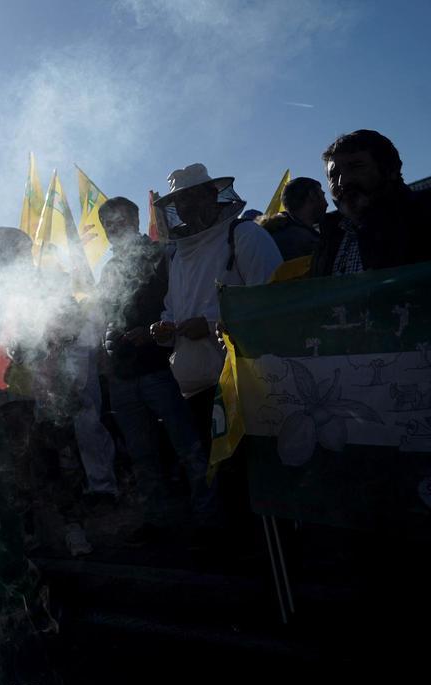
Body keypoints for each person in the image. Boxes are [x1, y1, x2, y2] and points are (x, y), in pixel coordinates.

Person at [149, 164, 282, 525]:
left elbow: (276, 303)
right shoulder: (178, 256)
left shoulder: (243, 236)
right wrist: (166, 328)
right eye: (181, 203)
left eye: (194, 199)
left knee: (261, 481)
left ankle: (279, 560)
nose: (189, 209)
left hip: (248, 386)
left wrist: (208, 327)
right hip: (198, 390)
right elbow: (173, 308)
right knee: (228, 483)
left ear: (213, 196)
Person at [97, 197, 208, 543]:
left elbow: (180, 304)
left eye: (117, 222)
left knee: (187, 446)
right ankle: (157, 520)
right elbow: (107, 314)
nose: (113, 230)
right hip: (124, 374)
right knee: (141, 454)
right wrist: (108, 338)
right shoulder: (111, 269)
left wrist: (152, 331)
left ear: (133, 220)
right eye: (107, 226)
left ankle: (209, 520)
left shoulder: (164, 254)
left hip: (163, 367)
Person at [310, 129, 431, 276]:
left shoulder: (423, 217)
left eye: (356, 166)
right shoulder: (329, 236)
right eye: (333, 175)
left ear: (390, 170)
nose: (343, 181)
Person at [258, 177, 327, 260]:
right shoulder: (302, 241)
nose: (326, 204)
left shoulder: (275, 235)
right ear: (312, 195)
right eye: (323, 195)